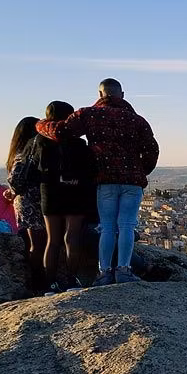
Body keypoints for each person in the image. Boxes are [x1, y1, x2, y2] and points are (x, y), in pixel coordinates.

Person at [36, 78, 158, 286]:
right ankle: (124, 270)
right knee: (127, 225)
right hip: (132, 182)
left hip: (106, 179)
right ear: (122, 95)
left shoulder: (89, 114)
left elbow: (61, 132)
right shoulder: (138, 121)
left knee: (108, 227)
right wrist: (140, 170)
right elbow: (152, 150)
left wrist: (40, 125)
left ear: (100, 94)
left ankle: (104, 273)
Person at [26, 101, 97, 294]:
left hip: (49, 191)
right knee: (72, 236)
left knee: (52, 239)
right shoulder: (78, 143)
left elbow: (30, 169)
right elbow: (90, 169)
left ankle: (50, 283)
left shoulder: (37, 141)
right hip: (74, 190)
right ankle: (72, 281)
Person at [5, 116, 45, 289]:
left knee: (36, 243)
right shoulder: (27, 153)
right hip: (32, 202)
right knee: (38, 244)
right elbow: (16, 180)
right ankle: (39, 282)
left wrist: (12, 192)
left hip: (26, 203)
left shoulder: (19, 153)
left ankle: (39, 280)